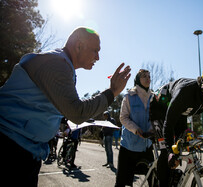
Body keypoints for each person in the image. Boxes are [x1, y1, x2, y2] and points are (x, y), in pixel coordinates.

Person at [0, 27, 131, 186]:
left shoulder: (63, 65)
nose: (98, 57)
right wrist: (112, 92)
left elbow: (50, 107)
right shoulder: (57, 64)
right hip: (10, 150)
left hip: (24, 151)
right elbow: (76, 112)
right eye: (95, 50)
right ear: (79, 46)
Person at [150, 58, 203, 187]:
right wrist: (170, 152)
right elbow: (168, 124)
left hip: (180, 114)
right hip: (160, 109)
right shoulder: (185, 92)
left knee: (180, 145)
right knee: (167, 150)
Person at [115, 69, 154, 187]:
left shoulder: (153, 97)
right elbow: (123, 118)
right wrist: (136, 129)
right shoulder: (129, 96)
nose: (148, 78)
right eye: (144, 76)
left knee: (154, 179)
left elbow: (155, 118)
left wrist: (153, 129)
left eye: (148, 76)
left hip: (146, 145)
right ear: (137, 80)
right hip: (129, 146)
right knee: (122, 182)